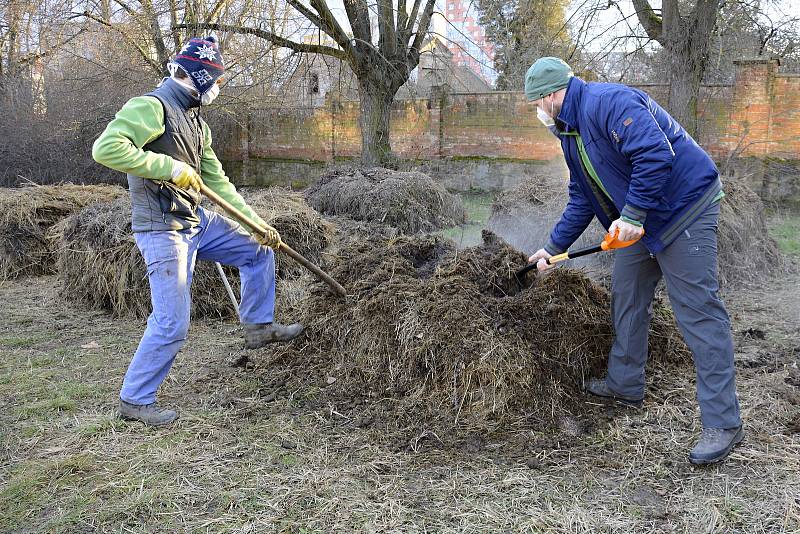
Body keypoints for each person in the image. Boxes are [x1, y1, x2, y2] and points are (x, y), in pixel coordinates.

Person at [524, 57, 743, 464]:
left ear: (553, 94)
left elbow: (655, 155)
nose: (537, 111)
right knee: (625, 293)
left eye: (537, 102)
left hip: (684, 210)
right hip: (641, 223)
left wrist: (633, 216)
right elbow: (581, 197)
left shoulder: (609, 102)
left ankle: (723, 422)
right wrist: (553, 248)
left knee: (698, 313)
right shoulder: (569, 133)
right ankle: (625, 383)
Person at [92, 36, 303, 427]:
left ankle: (258, 326)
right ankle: (135, 400)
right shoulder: (150, 106)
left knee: (258, 251)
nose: (219, 89)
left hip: (195, 221)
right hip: (163, 229)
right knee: (173, 322)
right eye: (218, 81)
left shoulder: (195, 122)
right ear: (203, 78)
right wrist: (169, 168)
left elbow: (218, 184)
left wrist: (256, 225)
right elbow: (106, 149)